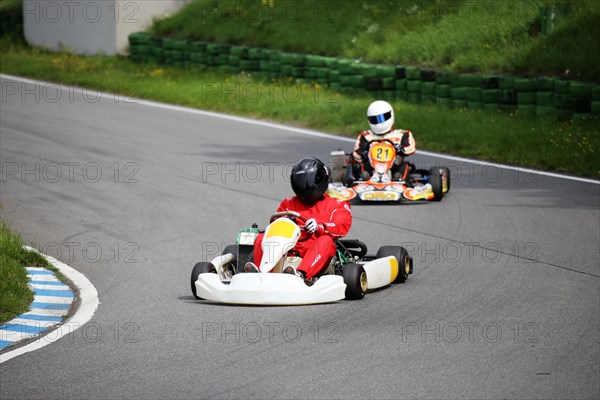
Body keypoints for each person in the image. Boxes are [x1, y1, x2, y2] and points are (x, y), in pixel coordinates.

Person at [245, 157, 352, 280]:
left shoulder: (337, 204)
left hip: (315, 255)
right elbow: (276, 224)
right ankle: (260, 274)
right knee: (260, 238)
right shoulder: (288, 203)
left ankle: (300, 275)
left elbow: (341, 225)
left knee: (325, 241)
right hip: (286, 251)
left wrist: (320, 226)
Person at [349, 100, 416, 182]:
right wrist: (364, 154)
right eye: (375, 119)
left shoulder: (402, 134)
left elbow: (410, 147)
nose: (379, 122)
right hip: (370, 167)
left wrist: (401, 150)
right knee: (363, 167)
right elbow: (357, 154)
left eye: (382, 118)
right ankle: (364, 181)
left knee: (403, 167)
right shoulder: (366, 136)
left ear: (390, 115)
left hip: (395, 166)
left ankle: (400, 181)